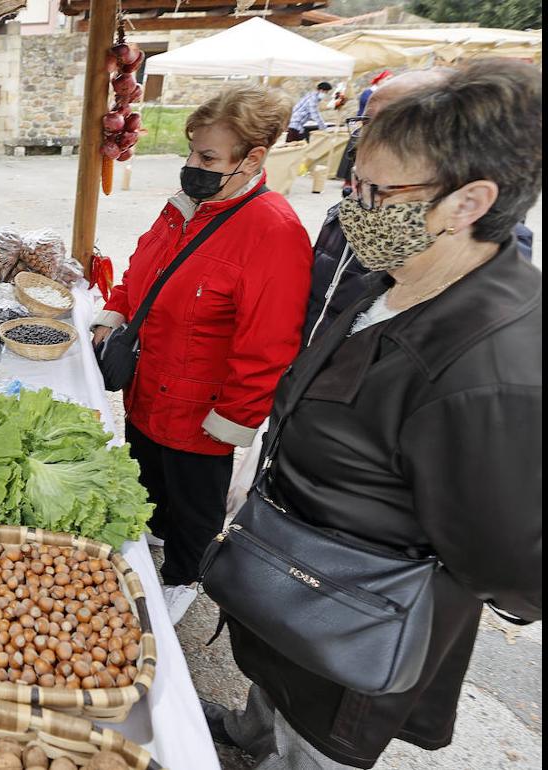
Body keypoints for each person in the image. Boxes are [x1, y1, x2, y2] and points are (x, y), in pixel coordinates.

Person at [207, 59, 542, 769]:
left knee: (312, 743)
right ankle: (250, 732)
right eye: (351, 182)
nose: (349, 204)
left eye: (375, 190)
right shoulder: (389, 277)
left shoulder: (493, 368)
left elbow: (505, 557)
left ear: (468, 202)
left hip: (353, 617)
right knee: (271, 690)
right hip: (288, 576)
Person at [91, 86, 313, 624]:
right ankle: (154, 544)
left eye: (208, 158)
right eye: (192, 152)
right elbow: (141, 273)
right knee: (147, 477)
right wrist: (114, 313)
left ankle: (185, 577)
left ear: (253, 158)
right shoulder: (183, 208)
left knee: (194, 506)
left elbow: (269, 346)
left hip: (201, 410)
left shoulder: (274, 232)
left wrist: (235, 418)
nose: (193, 166)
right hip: (149, 386)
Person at [303, 68, 535, 344]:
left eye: (391, 125)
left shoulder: (475, 257)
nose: (368, 138)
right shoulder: (356, 207)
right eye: (367, 121)